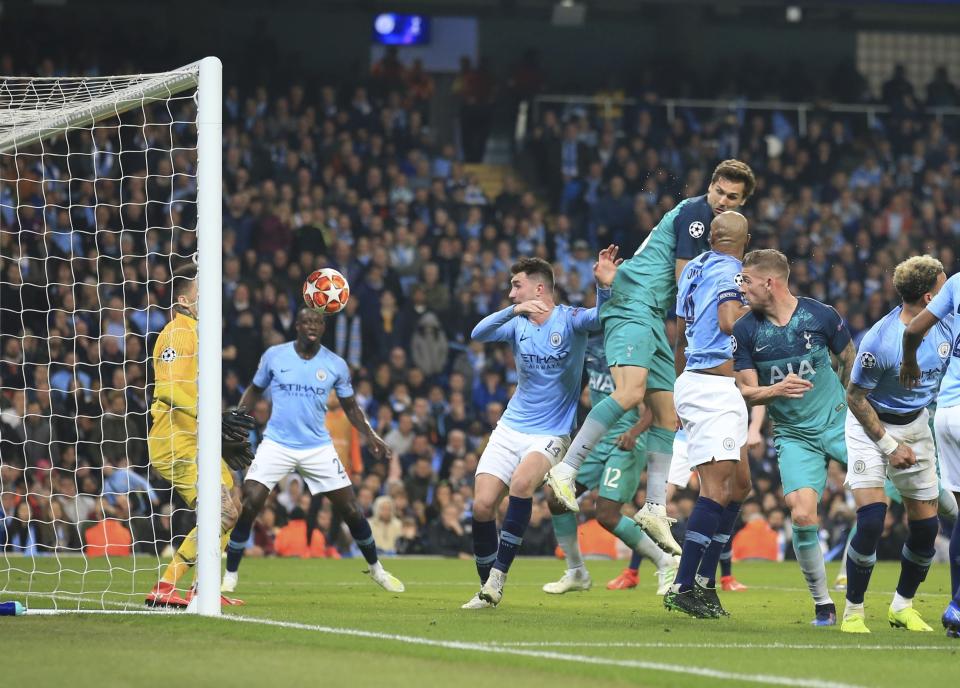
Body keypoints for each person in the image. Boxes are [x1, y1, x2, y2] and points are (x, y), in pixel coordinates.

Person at [547, 160, 756, 560]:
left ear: (743, 202)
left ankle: (655, 506)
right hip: (635, 305)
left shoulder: (713, 230)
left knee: (664, 412)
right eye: (720, 192)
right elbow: (684, 283)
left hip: (652, 315)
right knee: (630, 393)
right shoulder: (696, 213)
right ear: (709, 186)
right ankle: (566, 469)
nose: (722, 202)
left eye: (733, 198)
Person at [463, 249, 618, 609]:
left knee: (521, 485)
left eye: (516, 287)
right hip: (510, 427)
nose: (511, 293)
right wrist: (512, 311)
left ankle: (498, 579)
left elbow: (603, 317)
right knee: (483, 506)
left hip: (551, 432)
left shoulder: (569, 320)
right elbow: (477, 333)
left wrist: (604, 286)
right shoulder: (516, 322)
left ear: (539, 288)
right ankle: (486, 588)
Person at [221, 308, 404, 594]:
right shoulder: (275, 356)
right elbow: (255, 390)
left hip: (317, 446)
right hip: (277, 443)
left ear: (323, 328)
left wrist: (371, 435)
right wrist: (239, 421)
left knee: (352, 509)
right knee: (251, 501)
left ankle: (376, 569)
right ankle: (230, 575)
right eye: (306, 321)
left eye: (317, 322)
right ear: (296, 325)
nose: (312, 326)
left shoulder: (335, 364)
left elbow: (351, 407)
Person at [733, 249, 856, 626]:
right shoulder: (746, 330)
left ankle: (893, 598)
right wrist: (776, 390)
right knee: (802, 515)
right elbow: (744, 390)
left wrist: (855, 409)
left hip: (839, 422)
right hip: (793, 434)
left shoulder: (820, 315)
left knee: (897, 497)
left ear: (770, 282)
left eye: (747, 281)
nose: (741, 287)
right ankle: (823, 604)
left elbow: (848, 359)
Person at [841, 255, 952, 634]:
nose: (949, 291)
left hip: (918, 424)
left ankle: (901, 606)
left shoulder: (947, 322)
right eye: (943, 286)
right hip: (871, 425)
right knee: (872, 519)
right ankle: (853, 612)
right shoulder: (879, 341)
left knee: (925, 528)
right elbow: (854, 398)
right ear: (927, 297)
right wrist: (889, 445)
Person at [144, 265, 255, 608]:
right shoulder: (179, 333)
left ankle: (201, 588)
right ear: (184, 301)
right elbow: (166, 388)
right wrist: (209, 416)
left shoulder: (199, 334)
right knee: (221, 512)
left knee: (232, 505)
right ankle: (166, 586)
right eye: (201, 294)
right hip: (174, 440)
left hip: (195, 438)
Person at [663, 211, 751, 619]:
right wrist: (765, 309)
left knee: (741, 486)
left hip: (698, 381)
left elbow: (680, 332)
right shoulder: (734, 272)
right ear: (744, 240)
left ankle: (704, 581)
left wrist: (681, 385)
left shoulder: (694, 268)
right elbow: (729, 320)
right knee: (716, 490)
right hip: (714, 388)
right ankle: (684, 585)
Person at [543, 335, 679, 597]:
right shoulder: (591, 347)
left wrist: (635, 431)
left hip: (626, 442)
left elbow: (658, 405)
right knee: (555, 498)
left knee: (606, 513)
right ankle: (576, 571)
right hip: (597, 441)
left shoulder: (636, 348)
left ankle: (665, 562)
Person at [901, 263, 960, 639]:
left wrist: (908, 360)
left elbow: (913, 329)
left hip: (949, 413)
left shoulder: (956, 282)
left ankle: (957, 605)